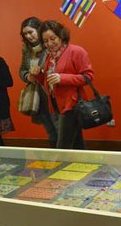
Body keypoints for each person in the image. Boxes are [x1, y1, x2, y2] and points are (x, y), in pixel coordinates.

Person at [30, 20, 93, 149]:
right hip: (56, 105)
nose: (49, 43)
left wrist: (62, 78)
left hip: (72, 105)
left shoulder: (76, 51)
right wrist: (38, 75)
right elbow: (47, 82)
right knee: (77, 145)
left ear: (61, 36)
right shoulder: (50, 57)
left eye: (53, 38)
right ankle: (85, 162)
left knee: (63, 147)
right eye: (45, 41)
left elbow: (88, 77)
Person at [19, 17, 58, 147]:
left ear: (38, 30)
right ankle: (56, 157)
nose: (28, 36)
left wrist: (41, 73)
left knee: (61, 130)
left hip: (52, 93)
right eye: (25, 34)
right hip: (38, 95)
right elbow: (22, 70)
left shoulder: (49, 46)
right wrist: (27, 77)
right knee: (50, 132)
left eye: (30, 32)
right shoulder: (26, 49)